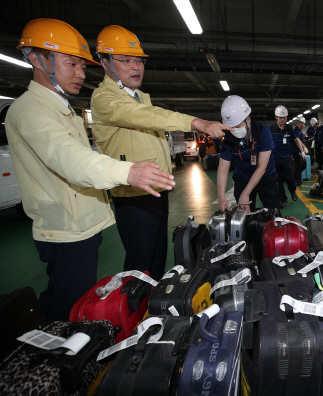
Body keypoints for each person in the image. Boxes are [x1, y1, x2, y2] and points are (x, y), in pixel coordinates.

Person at [6, 18, 175, 322]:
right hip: (64, 228)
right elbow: (70, 158)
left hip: (82, 223)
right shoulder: (32, 110)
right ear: (37, 60)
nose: (80, 73)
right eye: (71, 64)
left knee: (74, 298)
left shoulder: (62, 108)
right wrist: (129, 172)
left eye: (82, 67)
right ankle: (55, 361)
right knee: (68, 307)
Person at [90, 25, 231, 280]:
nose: (136, 67)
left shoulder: (141, 97)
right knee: (139, 264)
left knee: (156, 258)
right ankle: (135, 312)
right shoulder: (104, 99)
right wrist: (197, 122)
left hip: (155, 191)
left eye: (139, 61)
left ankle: (151, 309)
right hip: (133, 194)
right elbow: (147, 118)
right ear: (105, 62)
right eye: (125, 60)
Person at [215, 95, 281, 212]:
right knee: (244, 216)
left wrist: (246, 193)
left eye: (238, 126)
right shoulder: (229, 138)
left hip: (265, 177)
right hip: (243, 178)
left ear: (248, 120)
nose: (234, 130)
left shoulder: (262, 132)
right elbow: (223, 169)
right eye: (231, 127)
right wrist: (221, 197)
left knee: (273, 214)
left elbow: (262, 167)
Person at [270, 105, 307, 207]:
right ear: (276, 117)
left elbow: (296, 140)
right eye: (280, 118)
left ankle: (292, 191)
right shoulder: (271, 129)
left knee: (290, 179)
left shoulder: (289, 129)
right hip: (275, 159)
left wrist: (302, 150)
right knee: (278, 181)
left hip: (286, 159)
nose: (282, 120)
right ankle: (283, 199)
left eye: (284, 118)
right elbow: (266, 142)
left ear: (286, 118)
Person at [293, 116, 308, 185]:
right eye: (304, 124)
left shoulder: (299, 131)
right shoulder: (296, 131)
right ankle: (296, 180)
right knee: (298, 166)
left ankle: (295, 177)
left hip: (299, 151)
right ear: (301, 123)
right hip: (296, 151)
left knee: (303, 165)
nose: (304, 126)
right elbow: (298, 140)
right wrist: (303, 148)